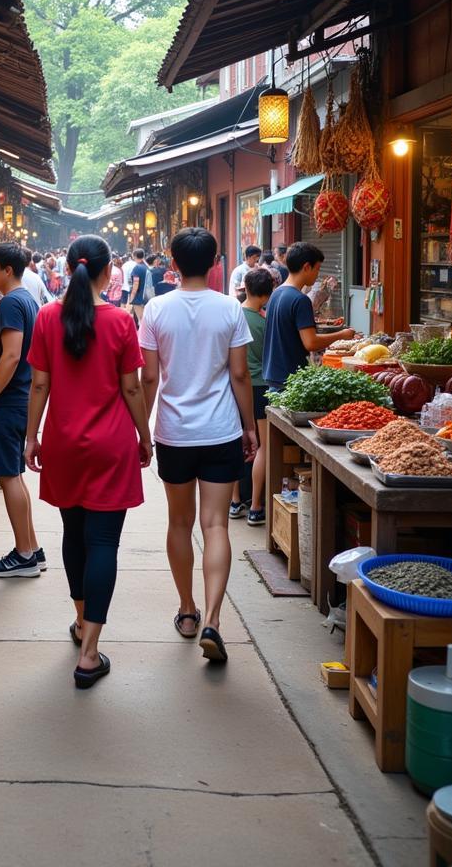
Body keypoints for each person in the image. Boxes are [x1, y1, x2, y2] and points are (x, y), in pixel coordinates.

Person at [25, 235, 151, 688]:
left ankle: (81, 622)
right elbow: (132, 388)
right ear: (106, 273)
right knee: (103, 544)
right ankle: (90, 651)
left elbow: (39, 385)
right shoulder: (120, 322)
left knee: (73, 535)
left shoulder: (46, 317)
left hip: (62, 443)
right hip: (110, 445)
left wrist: (31, 436)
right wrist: (145, 435)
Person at [140, 227, 258, 663]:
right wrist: (250, 427)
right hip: (221, 430)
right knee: (216, 526)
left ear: (173, 262)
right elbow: (240, 376)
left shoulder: (155, 308)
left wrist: (142, 429)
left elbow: (149, 377)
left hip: (174, 432)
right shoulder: (230, 309)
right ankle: (213, 618)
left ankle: (187, 611)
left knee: (178, 523)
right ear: (214, 264)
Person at [0, 243, 44, 578]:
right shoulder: (27, 299)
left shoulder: (12, 303)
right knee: (14, 475)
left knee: (9, 476)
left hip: (8, 402)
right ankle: (32, 547)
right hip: (20, 399)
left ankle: (24, 555)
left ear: (6, 270)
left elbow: (12, 355)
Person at [262, 242, 356, 390]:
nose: (318, 274)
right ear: (306, 267)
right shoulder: (300, 300)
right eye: (317, 269)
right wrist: (343, 334)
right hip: (290, 379)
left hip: (274, 376)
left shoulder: (276, 293)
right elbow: (311, 343)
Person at [229, 267, 274, 525]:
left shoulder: (233, 316)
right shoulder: (264, 322)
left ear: (244, 288)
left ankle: (235, 502)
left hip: (235, 387)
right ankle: (256, 506)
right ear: (267, 295)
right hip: (260, 387)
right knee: (263, 447)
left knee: (236, 443)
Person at [126, 248, 149, 322]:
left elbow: (136, 283)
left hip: (138, 298)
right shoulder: (147, 267)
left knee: (141, 320)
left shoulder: (137, 268)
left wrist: (131, 298)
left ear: (134, 256)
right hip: (147, 297)